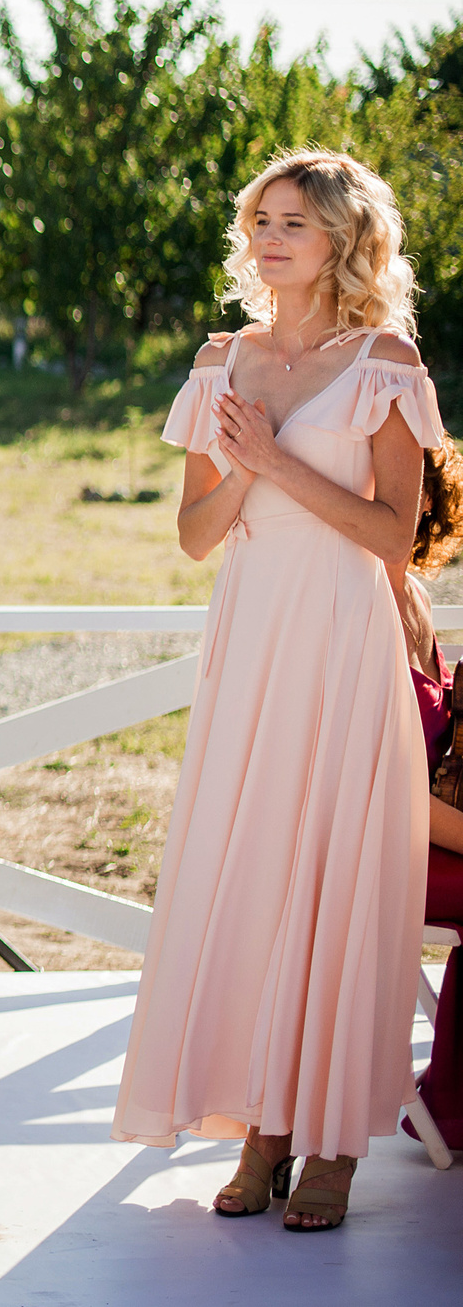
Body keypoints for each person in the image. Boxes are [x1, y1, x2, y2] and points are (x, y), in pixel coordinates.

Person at [114, 148, 440, 1231]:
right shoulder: (222, 361)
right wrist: (246, 461)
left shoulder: (385, 362)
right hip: (250, 642)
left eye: (293, 221)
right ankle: (263, 1125)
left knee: (334, 879)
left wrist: (280, 459)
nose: (268, 237)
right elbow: (194, 535)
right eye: (260, 218)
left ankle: (332, 1142)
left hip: (342, 641)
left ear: (343, 239)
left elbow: (393, 535)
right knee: (255, 874)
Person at [390, 443, 463, 1142]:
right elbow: (386, 788)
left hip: (434, 829)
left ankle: (452, 1093)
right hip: (384, 848)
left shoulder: (414, 594)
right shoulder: (360, 605)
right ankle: (452, 1103)